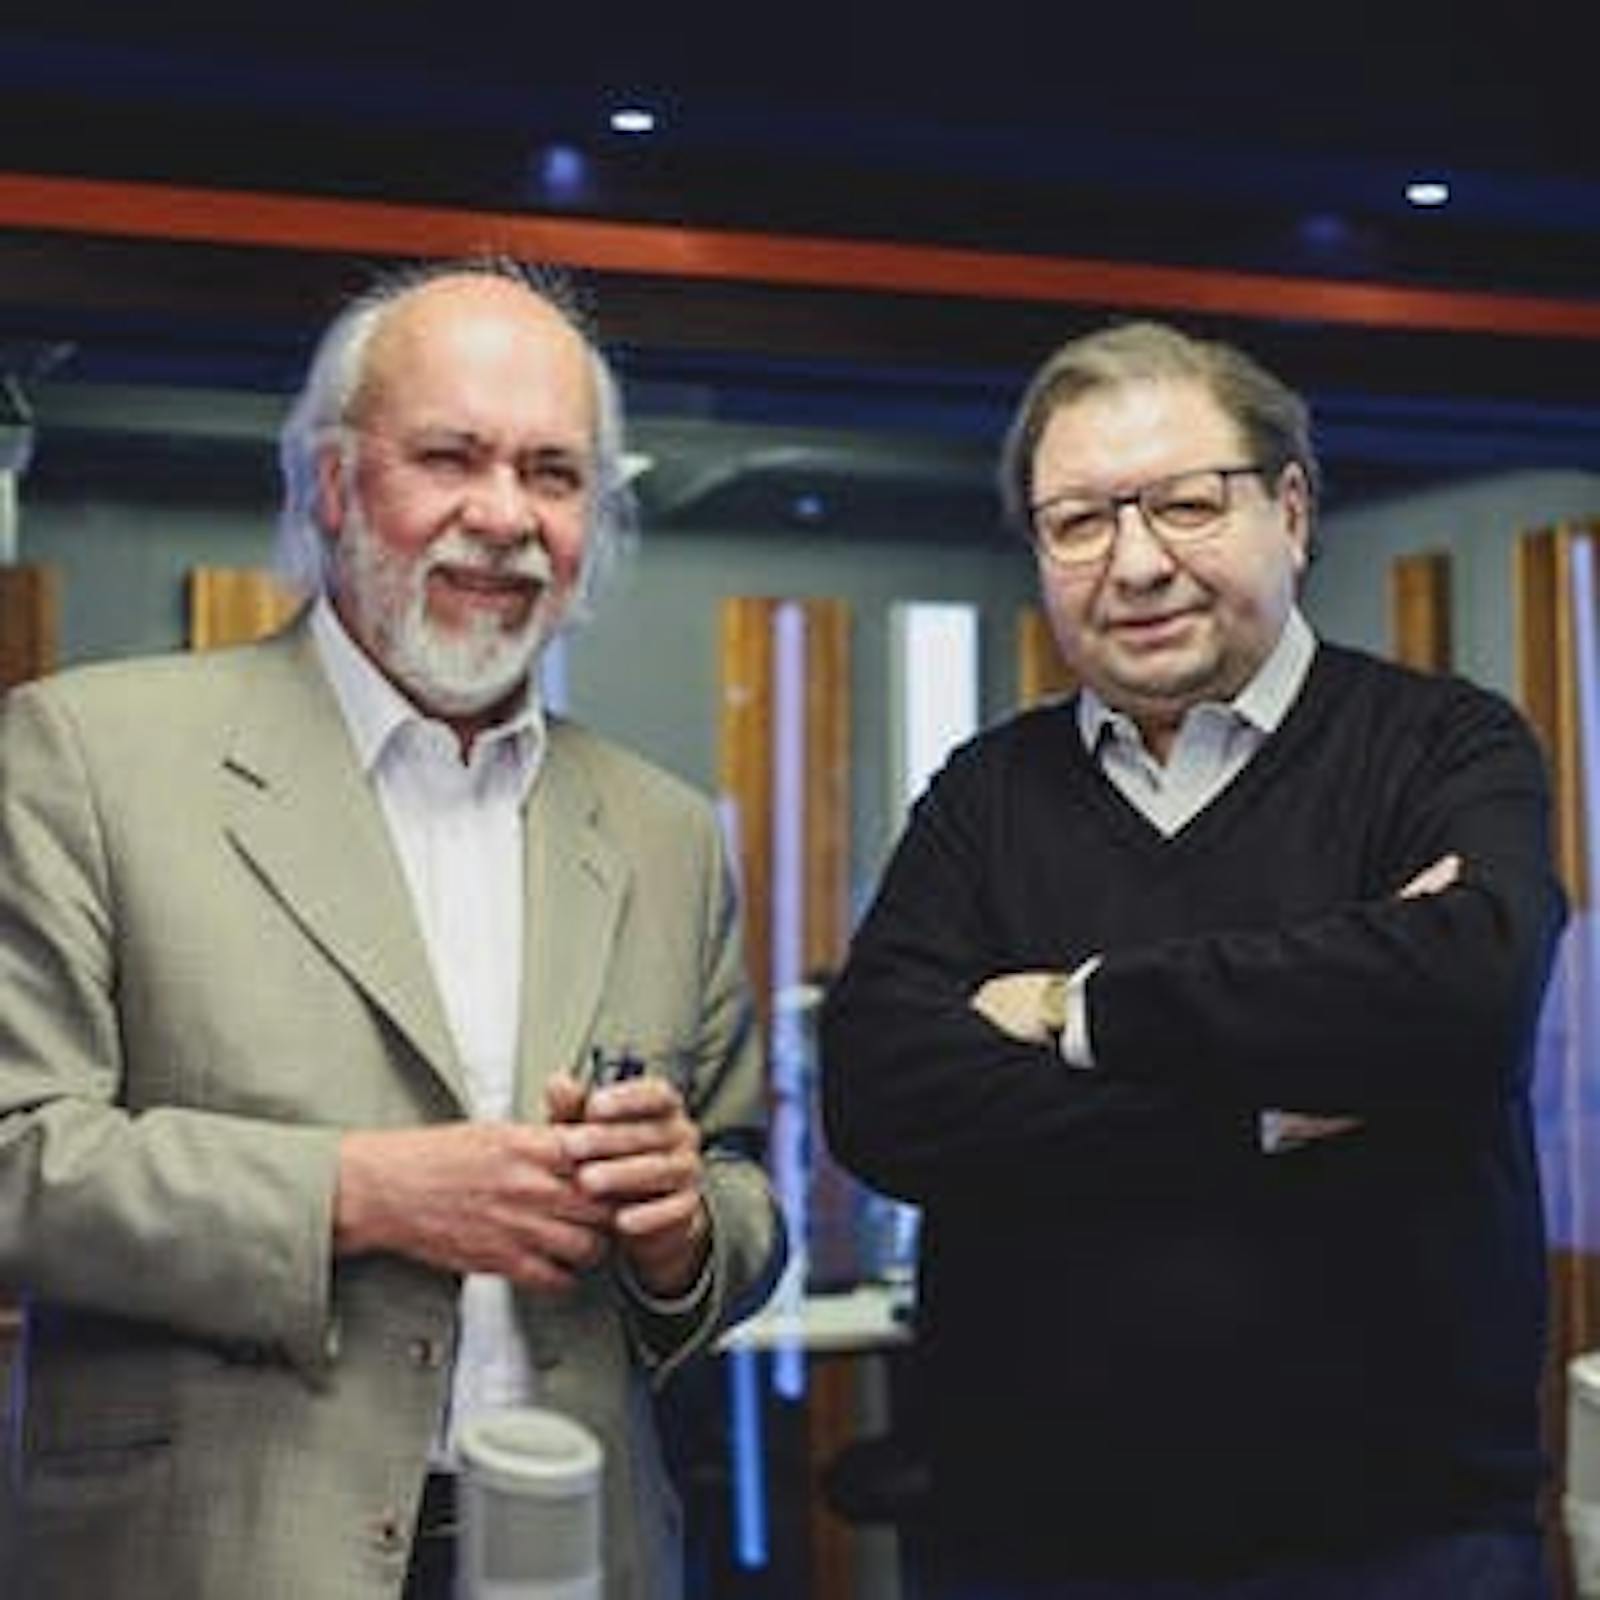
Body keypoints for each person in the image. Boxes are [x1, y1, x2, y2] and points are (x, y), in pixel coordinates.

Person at [0, 261, 784, 1600]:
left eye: (552, 473)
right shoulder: (87, 755)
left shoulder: (665, 832)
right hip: (211, 1555)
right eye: (449, 457)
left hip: (578, 1554)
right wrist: (359, 1194)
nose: (505, 516)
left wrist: (683, 1230)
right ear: (332, 483)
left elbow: (741, 1189)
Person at [820, 320, 1566, 1597]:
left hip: (1398, 1548)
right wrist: (1261, 1111)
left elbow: (1463, 992)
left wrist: (1079, 1006)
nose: (1135, 563)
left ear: (1291, 510)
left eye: (1183, 504)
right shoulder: (983, 796)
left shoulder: (1443, 747)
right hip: (1031, 1550)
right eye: (1078, 522)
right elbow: (882, 1092)